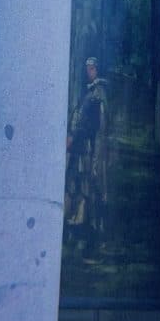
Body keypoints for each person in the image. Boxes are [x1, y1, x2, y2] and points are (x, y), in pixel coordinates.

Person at [65, 57, 108, 259]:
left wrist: (77, 136)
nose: (88, 71)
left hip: (93, 148)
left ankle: (94, 235)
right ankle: (81, 230)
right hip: (85, 147)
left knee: (93, 187)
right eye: (87, 68)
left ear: (97, 70)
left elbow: (97, 124)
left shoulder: (98, 93)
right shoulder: (89, 92)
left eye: (91, 68)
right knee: (82, 186)